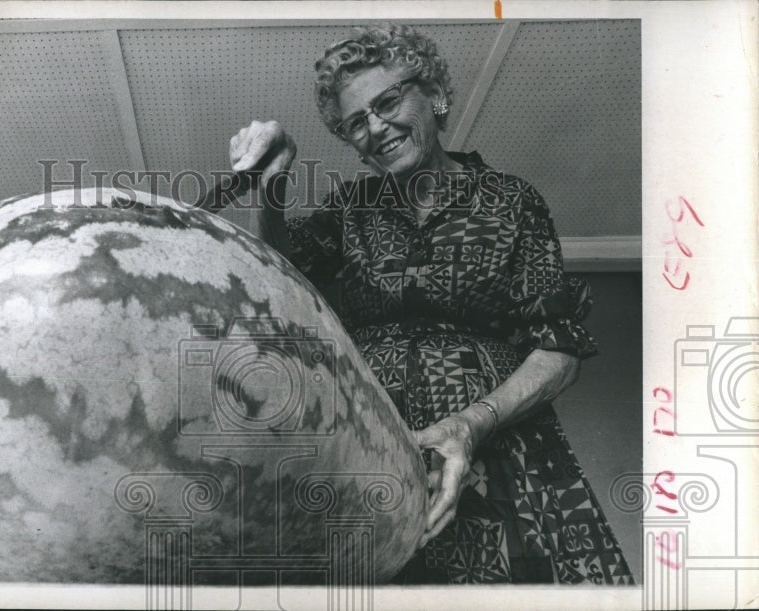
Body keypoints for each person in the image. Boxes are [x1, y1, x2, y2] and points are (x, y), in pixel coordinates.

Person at [224, 25, 634, 584]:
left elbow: (557, 349)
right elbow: (278, 279)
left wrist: (471, 424)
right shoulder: (351, 208)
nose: (375, 128)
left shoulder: (512, 200)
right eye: (355, 123)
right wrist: (271, 184)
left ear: (434, 94)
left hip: (501, 447)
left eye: (387, 102)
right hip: (367, 448)